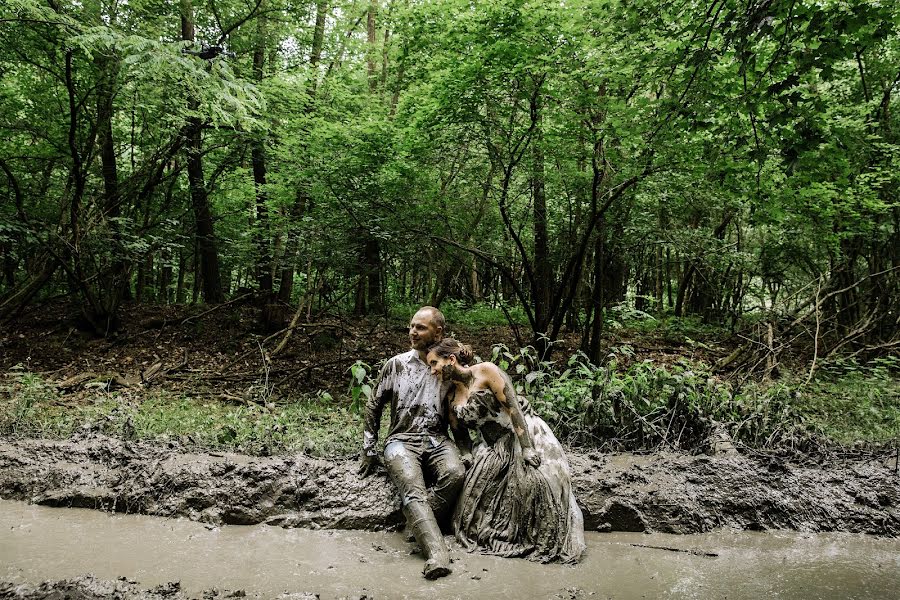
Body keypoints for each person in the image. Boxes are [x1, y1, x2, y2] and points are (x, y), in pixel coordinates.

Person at [426, 338, 586, 564]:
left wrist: (527, 448)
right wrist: (467, 455)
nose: (432, 371)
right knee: (472, 507)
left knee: (533, 484)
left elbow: (513, 408)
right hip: (490, 447)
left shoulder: (486, 371)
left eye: (434, 364)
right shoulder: (450, 396)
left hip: (522, 434)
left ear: (451, 359)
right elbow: (461, 437)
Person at [358, 306, 469, 579]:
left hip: (437, 439)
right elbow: (373, 406)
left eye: (420, 327)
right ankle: (437, 554)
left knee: (456, 473)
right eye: (411, 326)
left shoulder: (448, 368)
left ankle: (417, 526)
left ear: (438, 332)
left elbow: (457, 414)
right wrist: (369, 449)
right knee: (411, 486)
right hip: (401, 440)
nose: (412, 332)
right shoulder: (396, 364)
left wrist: (467, 449)